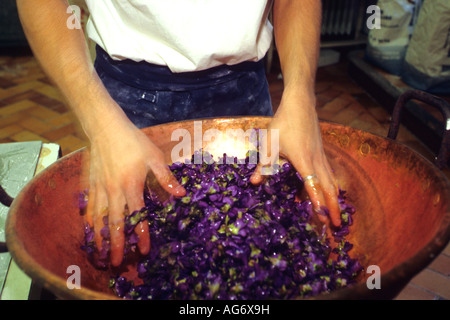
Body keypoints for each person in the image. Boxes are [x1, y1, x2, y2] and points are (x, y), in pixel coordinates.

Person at [17, 0, 341, 267]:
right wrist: (98, 120)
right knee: (128, 259)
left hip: (244, 93)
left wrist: (300, 93)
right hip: (121, 104)